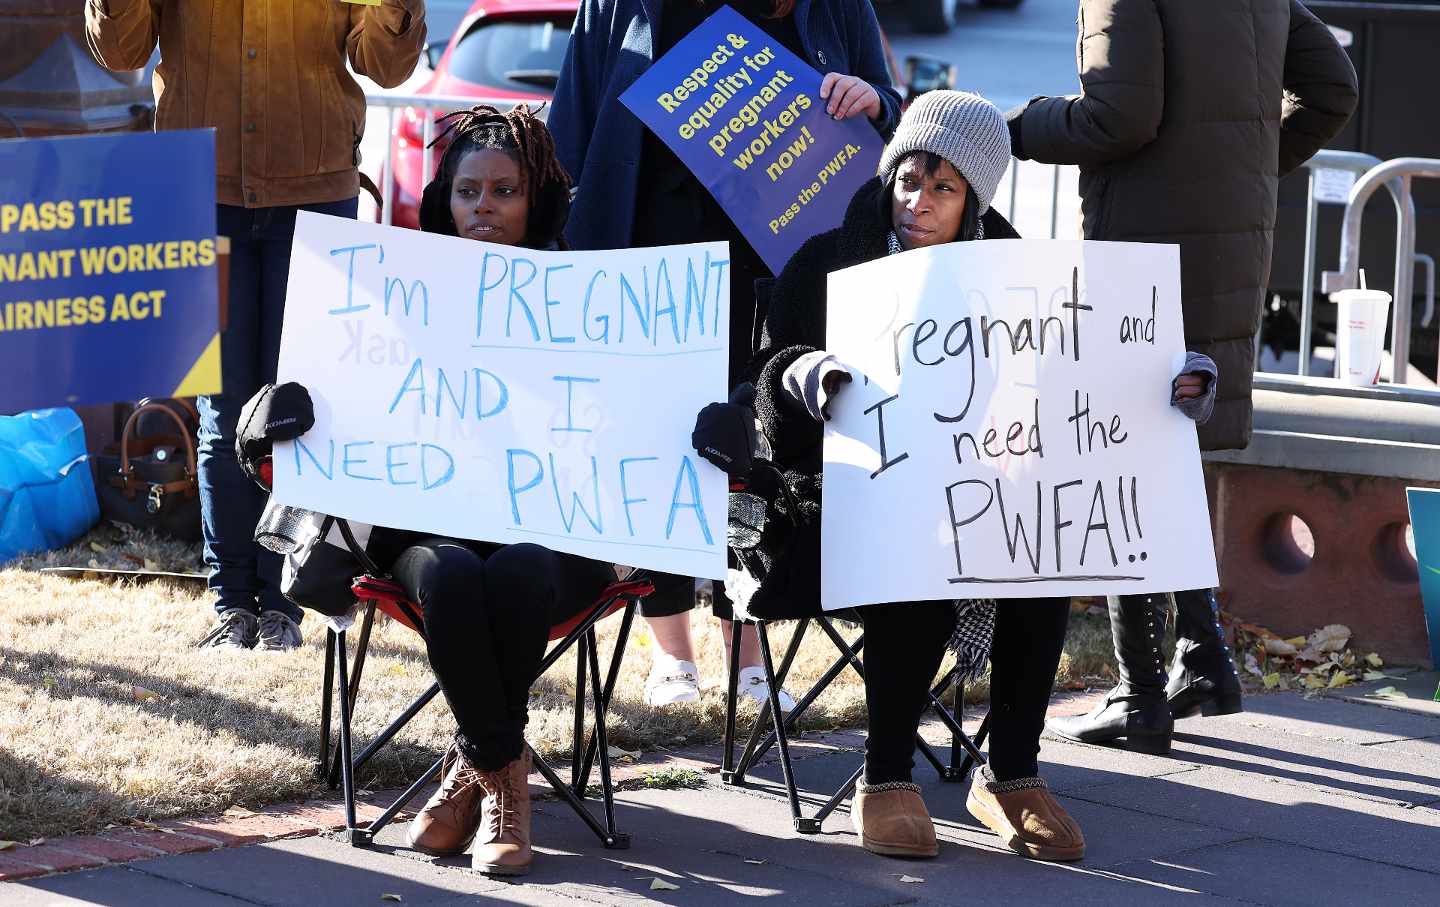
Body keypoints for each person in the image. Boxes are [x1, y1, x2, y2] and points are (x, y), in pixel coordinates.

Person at [695, 91, 1218, 862]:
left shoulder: (1018, 274)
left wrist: (1172, 379)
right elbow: (763, 383)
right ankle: (885, 777)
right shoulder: (825, 262)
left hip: (981, 492)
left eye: (943, 187)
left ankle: (1011, 773)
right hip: (835, 503)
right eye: (908, 179)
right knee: (921, 543)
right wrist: (803, 375)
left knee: (1038, 558)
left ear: (974, 196)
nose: (918, 202)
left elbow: (1085, 372)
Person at [242, 106, 612, 876]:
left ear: (534, 198)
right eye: (469, 189)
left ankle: (468, 771)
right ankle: (502, 773)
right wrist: (269, 417)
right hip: (421, 528)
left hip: (555, 533)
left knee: (511, 573)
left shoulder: (597, 298)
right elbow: (311, 395)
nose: (484, 205)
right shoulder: (389, 293)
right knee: (449, 574)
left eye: (504, 190)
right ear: (443, 197)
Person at [1005, 0, 1358, 752]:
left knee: (1122, 456)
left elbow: (1118, 118)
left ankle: (1140, 693)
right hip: (1228, 244)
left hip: (1140, 247)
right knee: (1164, 453)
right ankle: (1201, 657)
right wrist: (1244, 165)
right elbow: (1335, 90)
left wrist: (1014, 127)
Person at [550, 0, 902, 705]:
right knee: (662, 448)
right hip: (653, 257)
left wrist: (877, 101)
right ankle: (671, 652)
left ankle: (747, 643)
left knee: (759, 451)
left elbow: (890, 107)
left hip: (782, 268)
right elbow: (572, 123)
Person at [85, 0, 427, 652]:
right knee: (220, 405)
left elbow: (385, 62)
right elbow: (122, 51)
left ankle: (284, 605)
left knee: (298, 411)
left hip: (317, 188)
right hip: (199, 188)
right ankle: (232, 604)